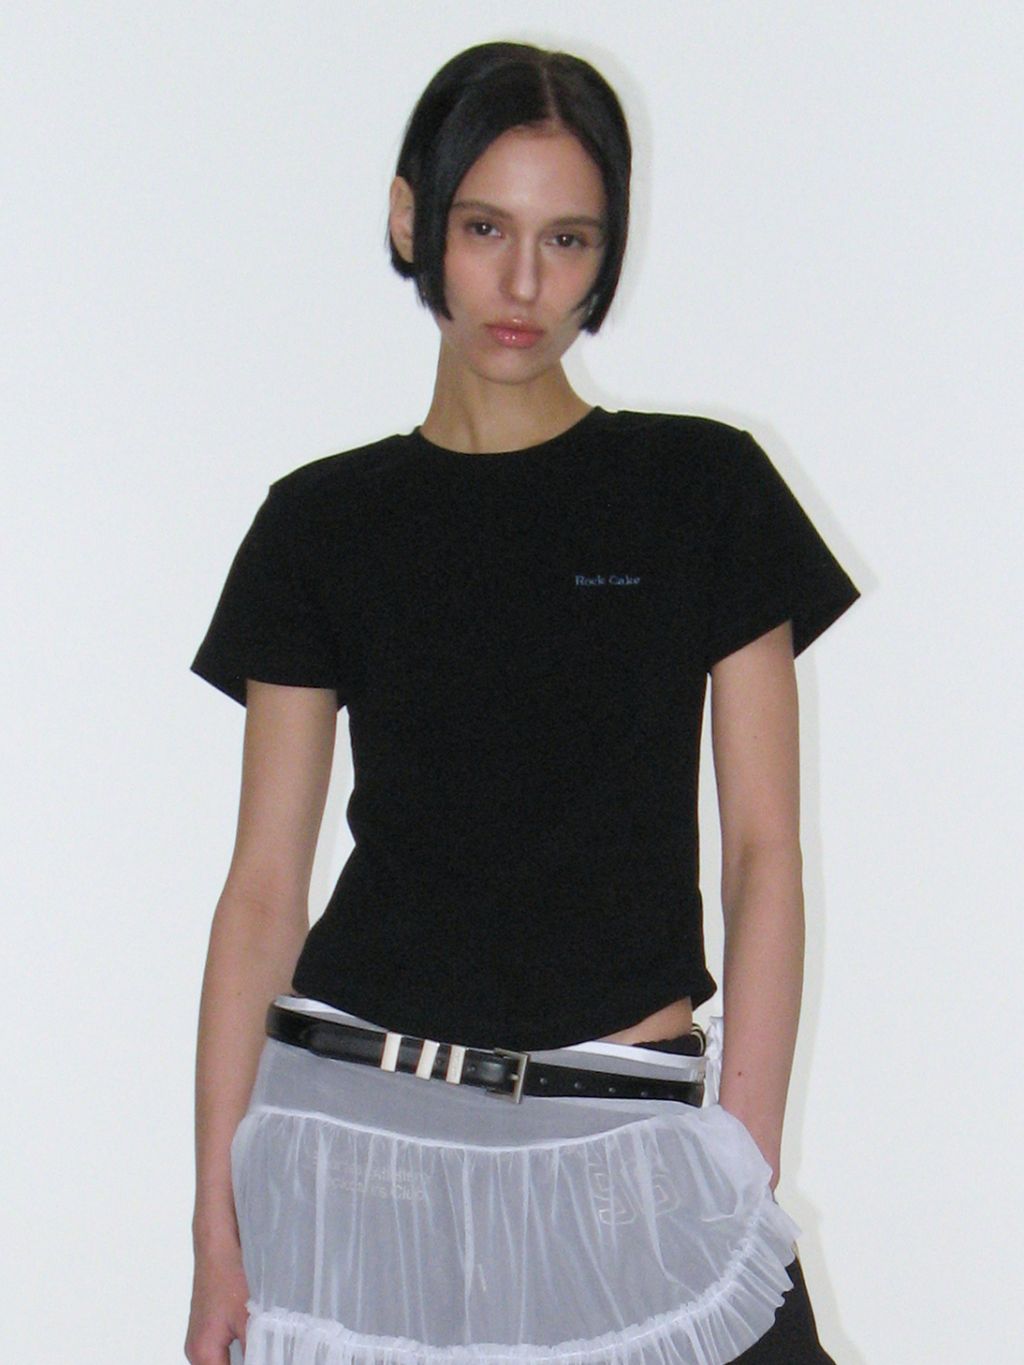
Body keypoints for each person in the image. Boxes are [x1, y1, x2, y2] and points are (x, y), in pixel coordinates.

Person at [184, 41, 859, 1365]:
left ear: (606, 255)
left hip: (626, 1123)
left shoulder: (704, 490)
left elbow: (765, 852)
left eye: (568, 238)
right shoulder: (322, 523)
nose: (525, 282)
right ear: (412, 220)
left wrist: (744, 1150)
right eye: (486, 227)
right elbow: (264, 888)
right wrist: (217, 1227)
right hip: (361, 1142)